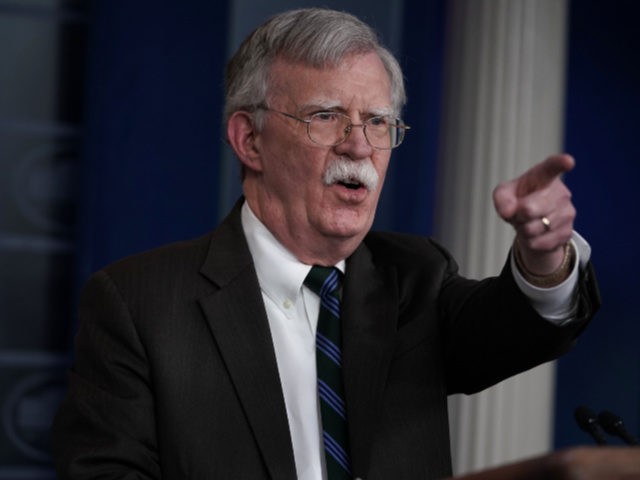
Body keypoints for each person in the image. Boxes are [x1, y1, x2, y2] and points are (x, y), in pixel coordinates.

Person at [52, 7, 601, 480]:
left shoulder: (414, 279)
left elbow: (518, 328)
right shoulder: (139, 303)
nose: (359, 146)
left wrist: (544, 255)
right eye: (326, 116)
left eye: (379, 122)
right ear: (250, 140)